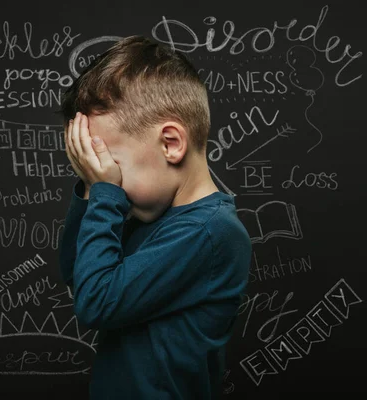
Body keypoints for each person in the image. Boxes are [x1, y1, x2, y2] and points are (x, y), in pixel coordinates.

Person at [57, 35, 252, 399]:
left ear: (171, 144)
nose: (107, 182)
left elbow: (96, 302)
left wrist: (104, 195)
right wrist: (89, 188)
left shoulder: (210, 233)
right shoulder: (152, 213)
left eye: (111, 166)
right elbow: (75, 271)